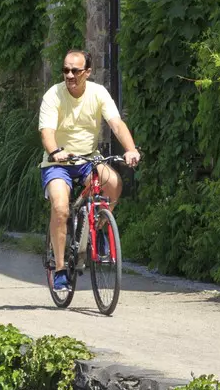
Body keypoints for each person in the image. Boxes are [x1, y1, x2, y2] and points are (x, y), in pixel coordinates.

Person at [38, 48, 142, 294]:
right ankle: (61, 269)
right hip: (58, 163)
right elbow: (47, 132)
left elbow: (116, 124)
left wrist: (130, 149)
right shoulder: (53, 95)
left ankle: (99, 227)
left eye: (75, 70)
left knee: (113, 183)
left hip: (87, 160)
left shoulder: (98, 93)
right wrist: (55, 152)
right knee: (61, 208)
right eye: (65, 70)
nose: (70, 75)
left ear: (87, 72)